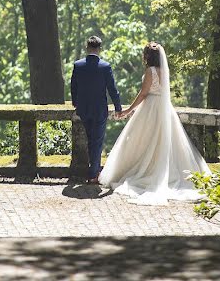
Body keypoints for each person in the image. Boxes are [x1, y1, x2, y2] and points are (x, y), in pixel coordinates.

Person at [98, 42, 211, 205]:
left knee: (142, 140)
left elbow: (144, 93)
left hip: (151, 108)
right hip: (165, 108)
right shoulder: (165, 71)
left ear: (148, 57)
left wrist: (129, 109)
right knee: (165, 142)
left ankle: (147, 171)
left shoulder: (150, 71)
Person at [70, 35, 122, 184]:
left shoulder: (78, 65)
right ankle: (93, 174)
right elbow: (112, 89)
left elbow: (74, 86)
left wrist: (76, 102)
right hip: (99, 109)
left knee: (91, 139)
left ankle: (93, 171)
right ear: (99, 49)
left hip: (84, 108)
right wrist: (118, 107)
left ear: (87, 48)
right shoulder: (105, 67)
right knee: (97, 141)